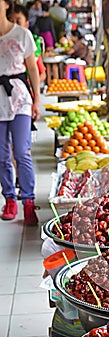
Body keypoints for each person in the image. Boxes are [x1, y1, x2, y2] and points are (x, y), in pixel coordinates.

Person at [0, 0, 40, 225]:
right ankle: (9, 198)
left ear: (5, 4)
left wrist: (37, 100)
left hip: (20, 98)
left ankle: (29, 201)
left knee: (22, 151)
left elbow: (32, 67)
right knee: (1, 155)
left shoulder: (22, 34)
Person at [9, 4, 46, 85]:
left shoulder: (32, 48)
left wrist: (29, 84)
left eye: (18, 22)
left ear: (26, 25)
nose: (15, 26)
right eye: (11, 22)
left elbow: (42, 74)